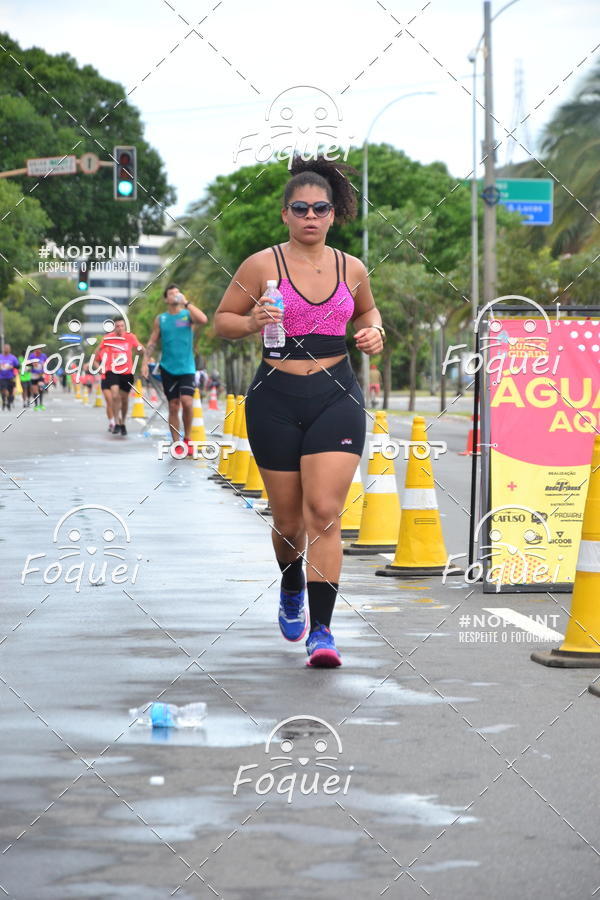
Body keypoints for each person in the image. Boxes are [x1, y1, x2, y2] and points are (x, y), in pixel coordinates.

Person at [213, 155, 385, 668]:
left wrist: (374, 331)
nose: (311, 216)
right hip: (275, 399)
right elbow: (223, 319)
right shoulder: (262, 265)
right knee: (289, 522)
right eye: (300, 207)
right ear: (285, 213)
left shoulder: (351, 268)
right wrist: (250, 323)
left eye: (321, 208)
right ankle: (291, 583)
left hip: (337, 395)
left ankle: (323, 631)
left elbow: (368, 310)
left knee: (325, 513)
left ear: (334, 214)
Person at [144, 284, 208, 456]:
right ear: (166, 299)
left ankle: (187, 438)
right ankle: (177, 443)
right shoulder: (162, 319)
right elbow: (152, 341)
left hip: (187, 367)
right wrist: (144, 362)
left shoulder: (187, 316)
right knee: (173, 406)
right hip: (167, 368)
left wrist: (186, 303)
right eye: (171, 294)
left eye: (177, 293)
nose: (175, 296)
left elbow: (203, 320)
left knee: (187, 402)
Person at [96, 316, 144, 436]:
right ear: (114, 327)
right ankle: (116, 422)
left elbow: (141, 349)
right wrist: (99, 366)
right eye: (117, 326)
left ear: (125, 326)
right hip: (112, 371)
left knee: (124, 399)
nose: (120, 328)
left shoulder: (130, 337)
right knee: (115, 395)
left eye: (122, 326)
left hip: (127, 372)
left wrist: (143, 355)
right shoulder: (107, 338)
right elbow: (96, 353)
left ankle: (122, 423)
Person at [0, 344, 19, 411]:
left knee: (10, 392)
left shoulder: (12, 357)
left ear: (10, 349)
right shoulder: (0, 356)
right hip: (2, 377)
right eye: (5, 348)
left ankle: (8, 402)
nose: (6, 349)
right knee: (4, 390)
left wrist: (12, 367)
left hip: (10, 377)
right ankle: (4, 402)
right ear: (3, 349)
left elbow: (17, 366)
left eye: (8, 348)